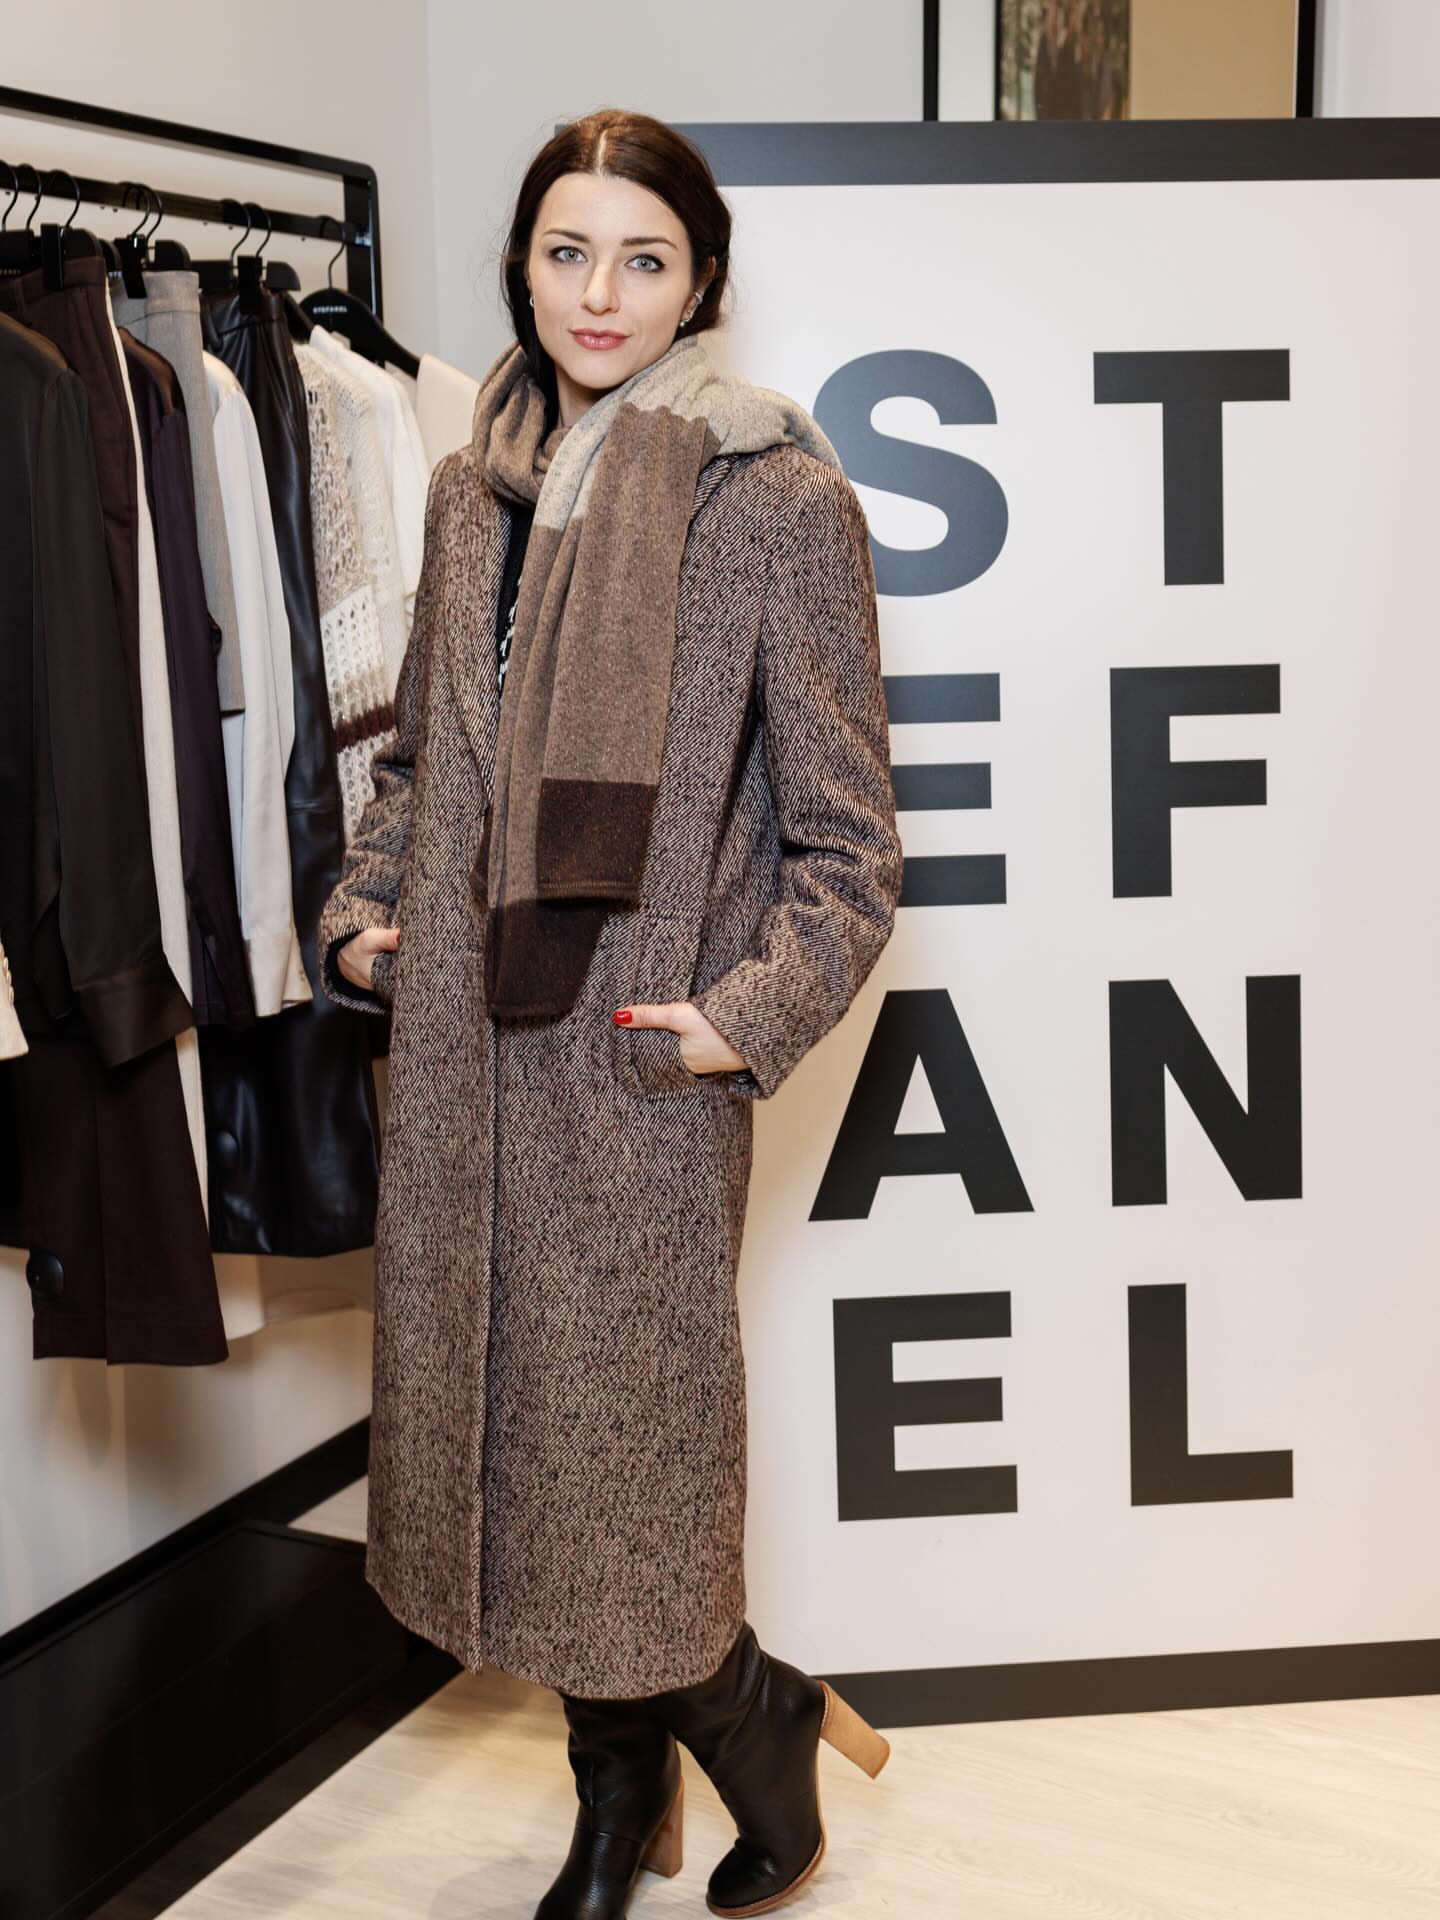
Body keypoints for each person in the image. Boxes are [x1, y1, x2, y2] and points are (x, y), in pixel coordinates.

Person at [318, 107, 903, 1920]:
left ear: (699, 280)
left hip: (632, 1069)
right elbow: (423, 765)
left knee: (624, 1474)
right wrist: (362, 920)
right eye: (568, 253)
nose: (600, 294)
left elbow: (850, 845)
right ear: (523, 266)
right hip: (464, 1064)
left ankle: (753, 1723)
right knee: (519, 1466)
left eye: (643, 260)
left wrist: (740, 1018)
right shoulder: (466, 488)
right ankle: (619, 1790)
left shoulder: (774, 499)